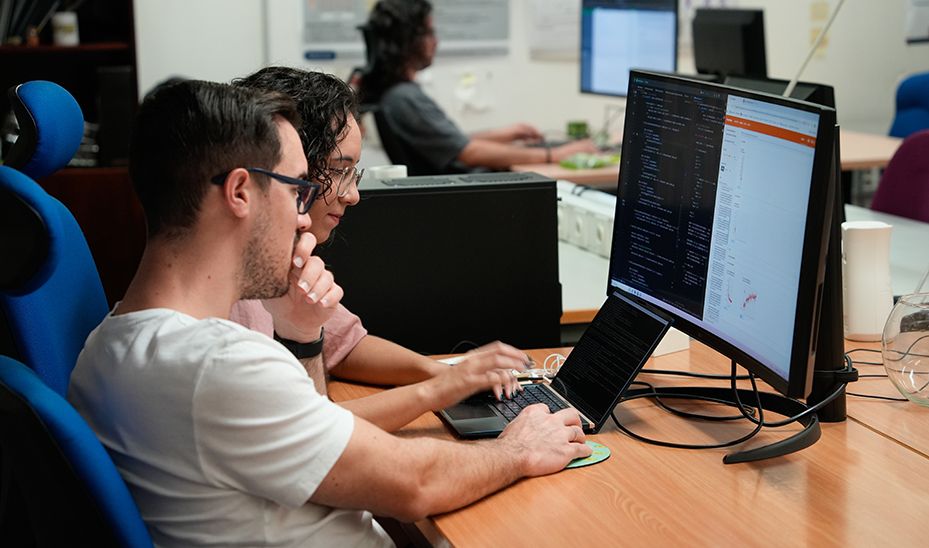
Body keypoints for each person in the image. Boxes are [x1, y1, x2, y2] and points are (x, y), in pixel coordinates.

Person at [69, 80, 591, 546]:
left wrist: (300, 334)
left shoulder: (107, 345)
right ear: (240, 192)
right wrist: (517, 449)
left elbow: (319, 436)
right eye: (299, 190)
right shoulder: (216, 366)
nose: (304, 218)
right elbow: (415, 483)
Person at [229, 67, 452, 398]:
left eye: (353, 173)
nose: (353, 195)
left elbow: (344, 343)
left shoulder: (283, 255)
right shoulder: (227, 291)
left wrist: (440, 373)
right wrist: (439, 391)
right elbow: (308, 428)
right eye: (338, 170)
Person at [358, 0, 599, 175]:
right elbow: (467, 153)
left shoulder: (396, 94)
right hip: (467, 198)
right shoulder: (404, 97)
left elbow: (452, 143)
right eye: (430, 32)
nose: (436, 41)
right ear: (408, 41)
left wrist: (507, 133)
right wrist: (553, 155)